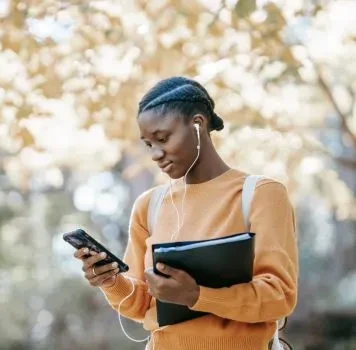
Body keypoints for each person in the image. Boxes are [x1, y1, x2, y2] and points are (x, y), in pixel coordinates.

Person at [73, 77, 298, 350]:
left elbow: (279, 296)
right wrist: (111, 281)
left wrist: (196, 295)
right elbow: (139, 304)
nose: (155, 154)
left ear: (198, 124)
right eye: (148, 145)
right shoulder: (149, 206)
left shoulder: (260, 194)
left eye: (163, 138)